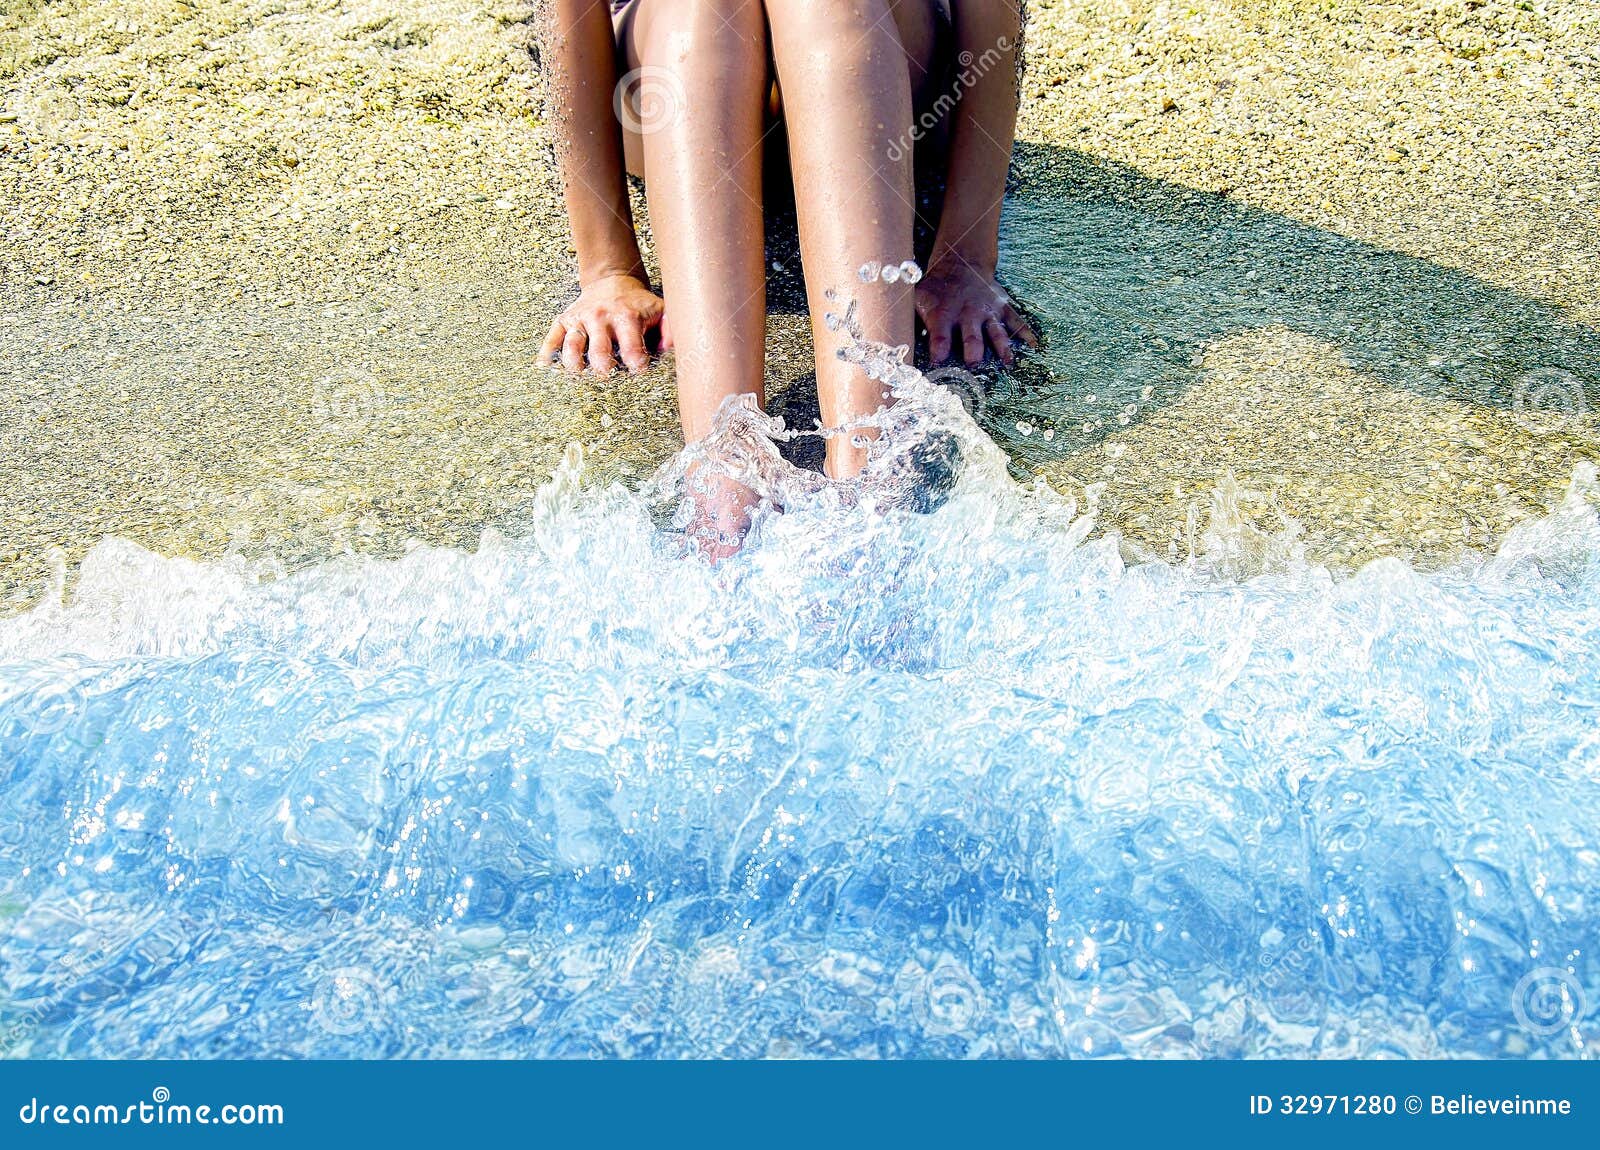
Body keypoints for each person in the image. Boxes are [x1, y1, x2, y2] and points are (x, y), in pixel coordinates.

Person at [540, 0, 1036, 554]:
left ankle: (869, 482)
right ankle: (724, 493)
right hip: (673, 83)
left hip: (878, 71)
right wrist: (607, 266)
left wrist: (964, 255)